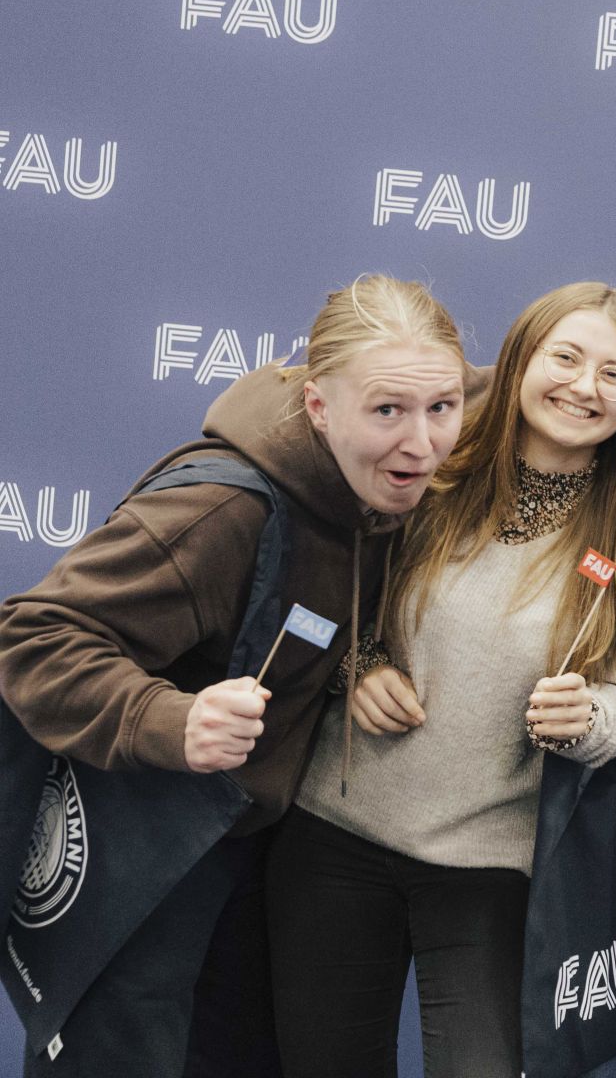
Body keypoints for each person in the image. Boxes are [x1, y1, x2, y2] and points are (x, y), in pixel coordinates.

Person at [0, 275, 468, 1076]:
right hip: (145, 861)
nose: (421, 443)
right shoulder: (224, 512)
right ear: (318, 406)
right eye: (387, 410)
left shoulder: (379, 474)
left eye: (443, 408)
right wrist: (168, 719)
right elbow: (33, 637)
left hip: (252, 861)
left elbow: (536, 383)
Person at [264, 282, 616, 1078]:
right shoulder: (429, 473)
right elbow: (322, 605)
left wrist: (590, 718)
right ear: (519, 359)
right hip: (336, 833)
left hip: (494, 866)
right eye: (565, 356)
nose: (583, 385)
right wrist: (356, 668)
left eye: (613, 374)